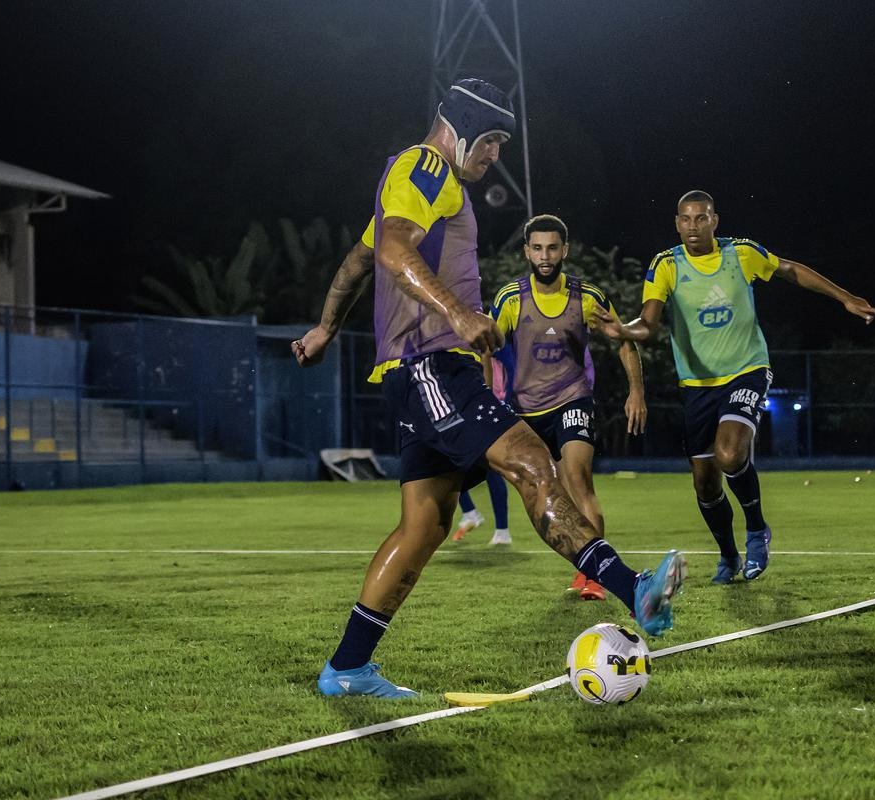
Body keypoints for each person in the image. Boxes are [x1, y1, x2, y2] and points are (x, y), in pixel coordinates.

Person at [292, 79, 686, 699]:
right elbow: (392, 250)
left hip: (419, 373)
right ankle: (634, 588)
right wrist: (455, 311)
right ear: (463, 128)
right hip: (431, 368)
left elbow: (358, 261)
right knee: (533, 462)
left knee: (424, 525)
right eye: (494, 140)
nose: (496, 155)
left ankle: (346, 668)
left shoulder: (418, 184)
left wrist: (323, 326)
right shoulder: (425, 166)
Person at [595, 190, 875, 585]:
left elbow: (790, 269)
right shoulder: (665, 265)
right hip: (697, 384)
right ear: (677, 223)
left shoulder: (741, 253)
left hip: (746, 370)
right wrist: (621, 329)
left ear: (715, 220)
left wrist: (845, 298)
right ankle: (728, 556)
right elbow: (648, 324)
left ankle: (756, 530)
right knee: (705, 483)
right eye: (685, 219)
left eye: (701, 218)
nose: (693, 227)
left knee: (729, 454)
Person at [491, 214, 647, 601]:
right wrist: (487, 396)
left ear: (566, 250)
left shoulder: (587, 296)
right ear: (527, 251)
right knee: (546, 491)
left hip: (572, 399)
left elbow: (624, 340)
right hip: (525, 409)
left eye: (553, 247)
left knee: (578, 478)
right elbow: (487, 348)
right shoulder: (510, 298)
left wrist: (636, 393)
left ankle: (595, 578)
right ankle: (586, 560)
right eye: (538, 248)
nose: (545, 256)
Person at [453, 352, 511, 545]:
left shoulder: (492, 348)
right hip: (479, 407)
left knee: (489, 469)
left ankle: (498, 529)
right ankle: (473, 514)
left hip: (486, 408)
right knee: (451, 464)